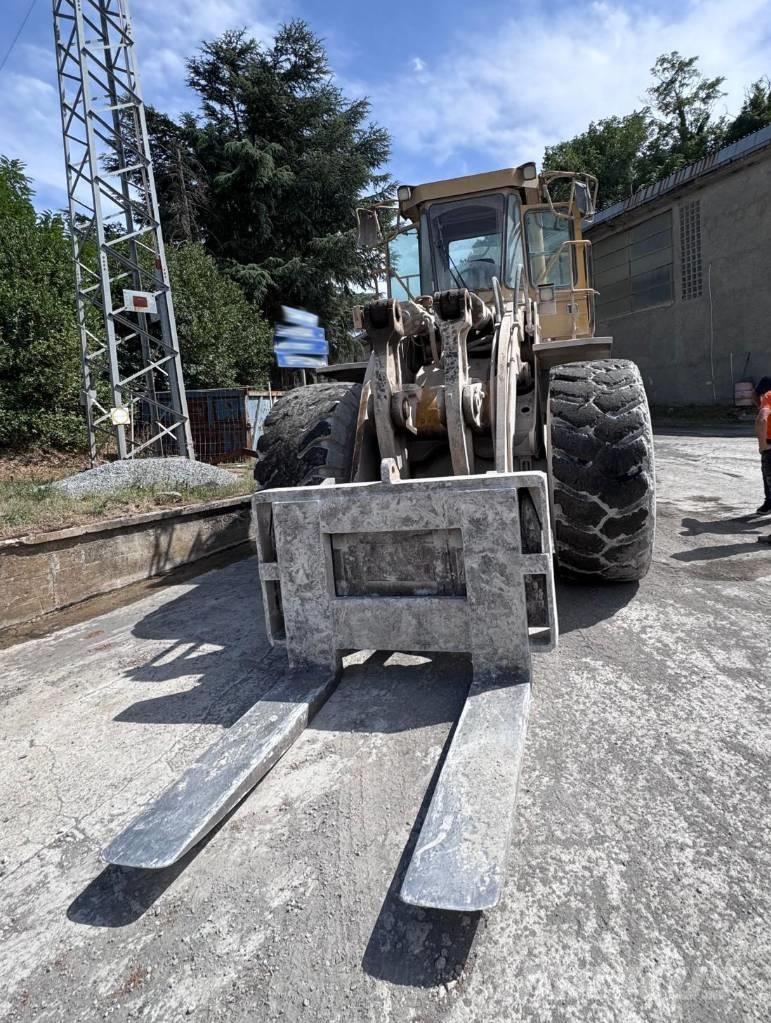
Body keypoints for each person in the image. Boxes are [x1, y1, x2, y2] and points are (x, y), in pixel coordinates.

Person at [754, 377, 771, 515]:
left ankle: (769, 502)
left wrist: (762, 445)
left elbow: (762, 417)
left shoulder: (768, 396)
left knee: (768, 475)